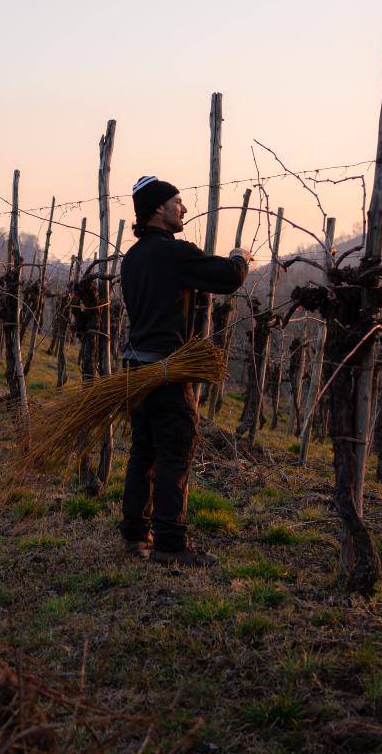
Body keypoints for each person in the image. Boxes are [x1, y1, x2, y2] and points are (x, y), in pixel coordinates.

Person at [119, 176, 253, 566]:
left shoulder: (133, 257)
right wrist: (239, 255)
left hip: (135, 369)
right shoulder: (172, 254)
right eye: (178, 202)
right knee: (175, 454)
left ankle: (134, 533)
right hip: (167, 373)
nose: (185, 209)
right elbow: (229, 278)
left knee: (143, 451)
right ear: (159, 208)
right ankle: (170, 544)